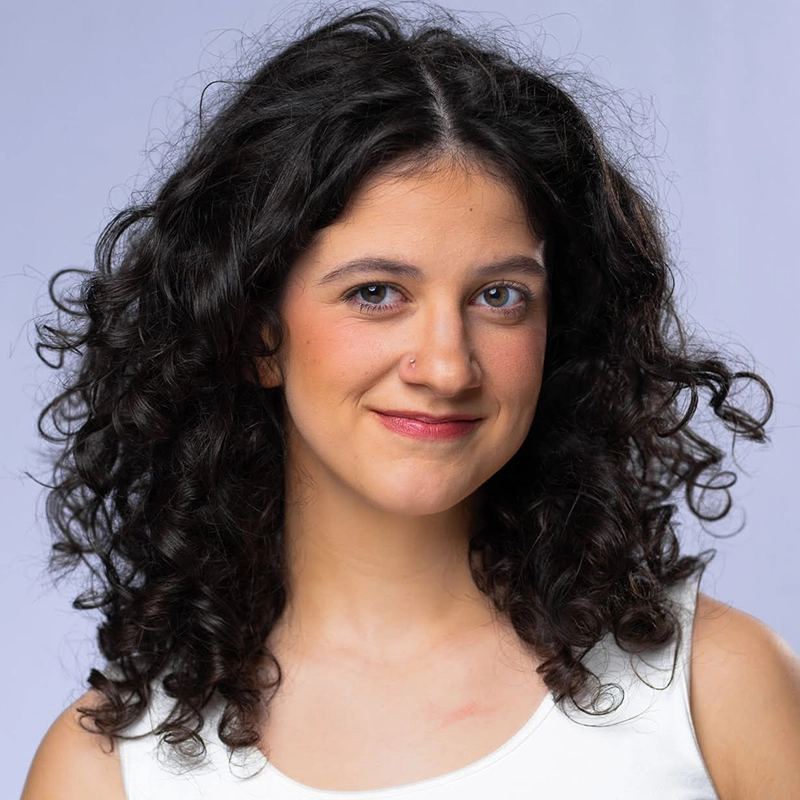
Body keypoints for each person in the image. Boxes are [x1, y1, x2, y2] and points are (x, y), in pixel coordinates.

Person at [20, 5, 800, 799]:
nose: (446, 366)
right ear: (258, 335)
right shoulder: (109, 772)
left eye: (499, 295)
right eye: (377, 292)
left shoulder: (718, 691)